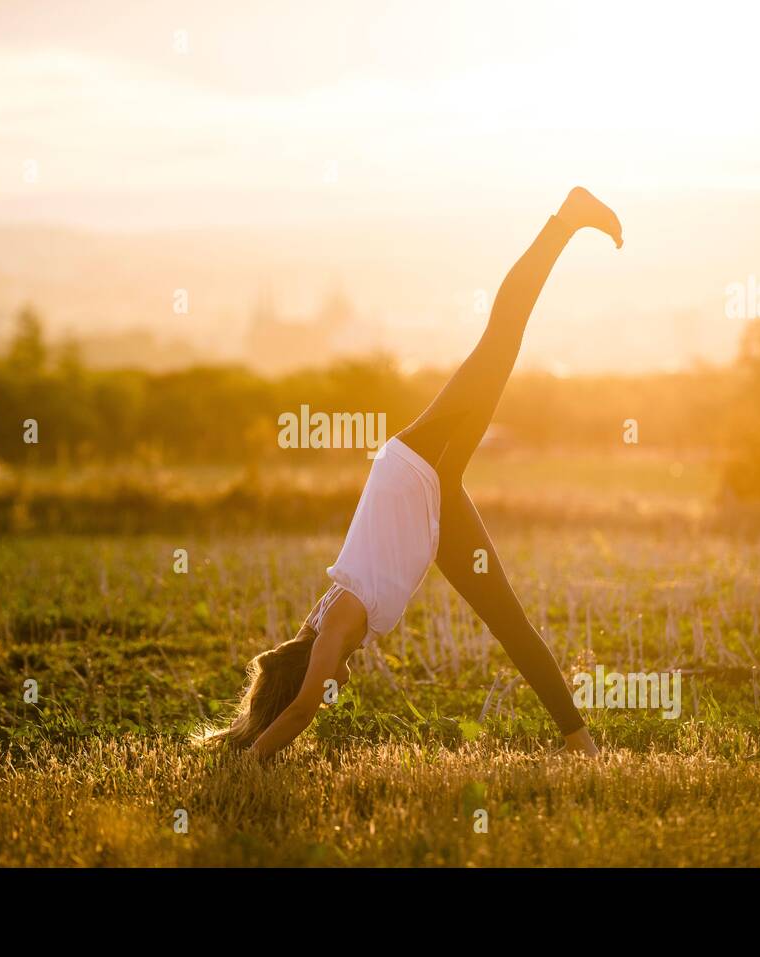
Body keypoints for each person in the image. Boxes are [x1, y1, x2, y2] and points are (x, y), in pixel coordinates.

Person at [205, 187, 623, 760]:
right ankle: (580, 738)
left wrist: (254, 759)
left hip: (416, 467)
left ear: (310, 675)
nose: (328, 701)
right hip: (431, 502)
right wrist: (252, 731)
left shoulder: (331, 634)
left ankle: (567, 218)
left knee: (502, 336)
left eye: (318, 691)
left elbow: (302, 708)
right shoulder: (321, 626)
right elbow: (298, 692)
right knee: (506, 619)